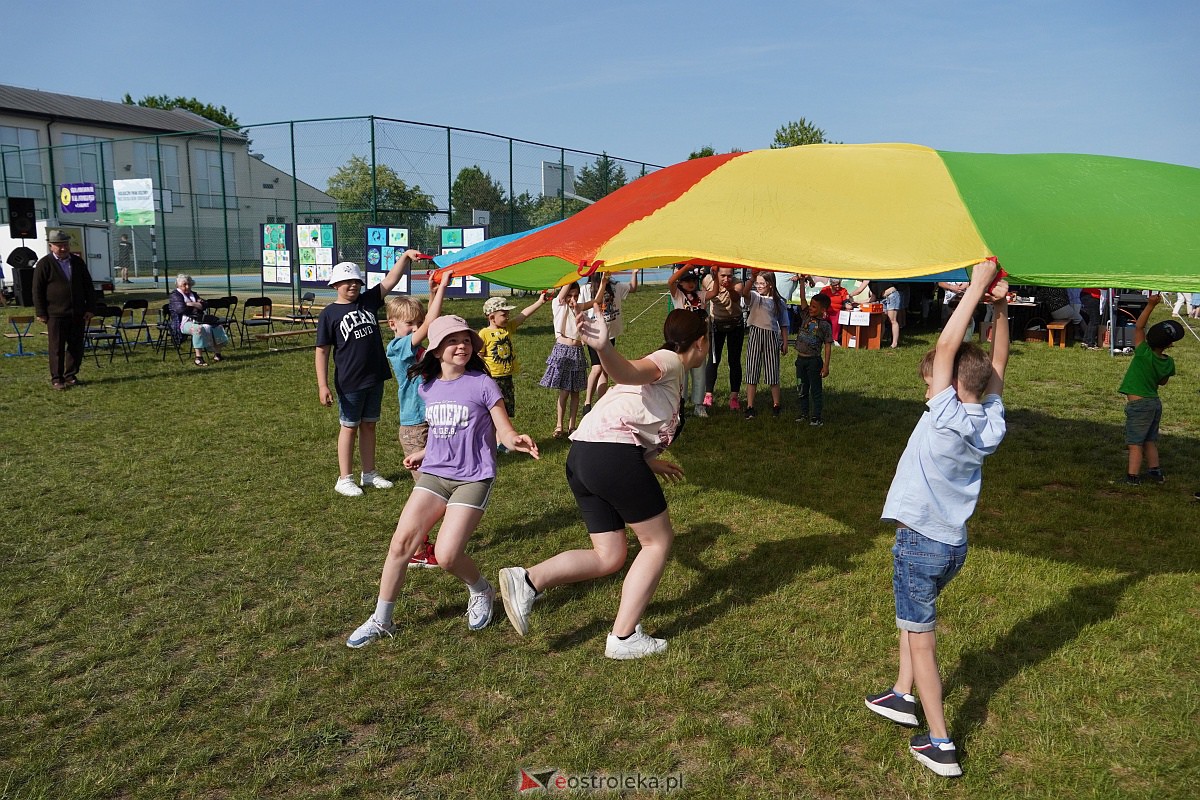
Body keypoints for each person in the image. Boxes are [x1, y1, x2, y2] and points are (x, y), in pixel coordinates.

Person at [865, 260, 1010, 779]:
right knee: (914, 616)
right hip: (952, 545)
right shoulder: (987, 421)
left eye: (930, 381)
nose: (927, 387)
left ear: (945, 385)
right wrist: (998, 309)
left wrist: (975, 287)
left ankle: (941, 742)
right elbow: (998, 367)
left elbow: (948, 349)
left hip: (920, 543)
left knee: (922, 636)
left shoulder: (944, 414)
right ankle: (901, 695)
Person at [498, 308, 708, 660]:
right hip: (610, 458)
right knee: (657, 541)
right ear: (701, 342)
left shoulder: (670, 374)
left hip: (583, 457)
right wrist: (603, 349)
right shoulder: (669, 360)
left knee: (609, 556)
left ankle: (528, 580)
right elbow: (628, 369)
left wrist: (649, 462)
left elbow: (624, 416)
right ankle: (623, 638)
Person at [347, 315, 540, 647]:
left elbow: (502, 428)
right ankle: (382, 620)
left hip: (473, 477)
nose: (461, 345)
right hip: (436, 472)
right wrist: (424, 452)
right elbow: (443, 428)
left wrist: (513, 439)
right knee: (401, 545)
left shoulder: (483, 383)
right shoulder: (427, 387)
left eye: (465, 340)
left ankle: (480, 589)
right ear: (436, 350)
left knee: (448, 555)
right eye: (452, 341)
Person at [316, 252, 419, 497]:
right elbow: (322, 351)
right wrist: (323, 385)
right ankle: (344, 478)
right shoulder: (329, 314)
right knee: (349, 427)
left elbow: (390, 280)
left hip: (374, 376)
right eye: (346, 281)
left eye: (356, 281)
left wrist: (405, 257)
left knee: (370, 425)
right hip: (350, 380)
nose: (352, 285)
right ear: (335, 285)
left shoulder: (368, 301)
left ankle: (369, 473)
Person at [385, 272, 450, 568]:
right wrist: (442, 289)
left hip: (430, 424)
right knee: (427, 493)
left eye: (415, 322)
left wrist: (436, 291)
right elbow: (427, 328)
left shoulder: (419, 349)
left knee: (437, 488)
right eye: (408, 324)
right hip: (414, 429)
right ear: (392, 325)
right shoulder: (398, 349)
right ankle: (416, 548)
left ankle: (422, 542)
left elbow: (432, 328)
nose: (414, 328)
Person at [1115, 294, 1183, 485]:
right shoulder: (1168, 362)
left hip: (1139, 406)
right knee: (1149, 440)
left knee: (1135, 443)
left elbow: (1138, 326)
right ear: (1169, 343)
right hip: (1154, 404)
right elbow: (1162, 382)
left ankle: (1132, 478)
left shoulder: (1143, 352)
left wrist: (1151, 304)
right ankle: (1155, 472)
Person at [32, 230, 96, 390]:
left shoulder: (77, 262)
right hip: (56, 314)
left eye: (65, 245)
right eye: (59, 246)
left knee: (76, 346)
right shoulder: (44, 264)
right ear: (51, 246)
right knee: (56, 348)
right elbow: (37, 290)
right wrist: (41, 312)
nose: (63, 248)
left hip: (77, 313)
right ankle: (57, 378)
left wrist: (90, 308)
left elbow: (88, 286)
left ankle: (70, 375)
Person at [478, 292, 549, 428]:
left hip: (507, 378)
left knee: (506, 410)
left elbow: (523, 315)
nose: (507, 317)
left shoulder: (508, 328)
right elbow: (479, 355)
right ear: (492, 317)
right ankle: (493, 438)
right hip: (493, 378)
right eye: (504, 315)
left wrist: (540, 302)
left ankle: (502, 439)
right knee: (494, 410)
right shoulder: (484, 334)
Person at [579, 270, 637, 412]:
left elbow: (633, 288)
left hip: (610, 335)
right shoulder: (586, 289)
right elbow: (581, 310)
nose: (605, 275)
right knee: (597, 367)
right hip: (594, 334)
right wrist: (581, 335)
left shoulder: (615, 286)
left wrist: (635, 272)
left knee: (604, 369)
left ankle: (601, 404)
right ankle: (587, 403)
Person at [539, 282, 590, 438]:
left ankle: (572, 426)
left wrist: (602, 283)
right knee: (565, 390)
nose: (572, 298)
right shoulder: (559, 304)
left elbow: (596, 301)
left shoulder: (579, 309)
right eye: (570, 295)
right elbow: (562, 295)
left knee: (576, 391)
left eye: (576, 295)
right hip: (563, 350)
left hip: (578, 351)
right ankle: (559, 426)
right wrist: (572, 274)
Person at [740, 270, 789, 417]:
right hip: (755, 333)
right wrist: (752, 278)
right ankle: (750, 406)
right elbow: (744, 292)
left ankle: (776, 404)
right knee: (752, 369)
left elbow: (784, 323)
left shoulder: (779, 302)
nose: (759, 286)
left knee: (772, 370)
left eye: (762, 283)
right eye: (757, 283)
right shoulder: (755, 297)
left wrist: (785, 342)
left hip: (771, 335)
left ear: (770, 285)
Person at [667, 265, 710, 417]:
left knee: (699, 373)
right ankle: (680, 405)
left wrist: (716, 275)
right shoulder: (677, 294)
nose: (691, 283)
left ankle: (699, 405)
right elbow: (670, 282)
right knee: (681, 374)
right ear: (680, 282)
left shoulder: (700, 295)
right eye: (686, 280)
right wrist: (686, 267)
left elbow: (715, 292)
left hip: (698, 341)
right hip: (682, 340)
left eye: (693, 280)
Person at [702, 267, 745, 411]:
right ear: (716, 274)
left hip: (735, 323)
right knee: (713, 359)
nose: (726, 279)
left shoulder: (737, 283)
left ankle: (734, 396)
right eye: (723, 276)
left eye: (729, 276)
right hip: (716, 323)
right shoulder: (707, 281)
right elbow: (703, 297)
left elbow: (736, 298)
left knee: (734, 360)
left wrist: (730, 288)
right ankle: (708, 394)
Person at [169, 274, 229, 367]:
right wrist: (197, 305)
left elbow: (205, 304)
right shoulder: (175, 295)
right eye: (184, 285)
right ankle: (198, 358)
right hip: (183, 323)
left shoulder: (194, 294)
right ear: (178, 285)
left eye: (189, 284)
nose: (187, 287)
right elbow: (181, 309)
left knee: (217, 326)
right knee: (198, 329)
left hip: (199, 319)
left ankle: (217, 354)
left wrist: (191, 303)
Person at [793, 292, 834, 426]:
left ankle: (816, 416)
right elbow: (803, 299)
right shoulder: (806, 316)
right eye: (810, 306)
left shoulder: (825, 326)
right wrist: (802, 281)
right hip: (800, 361)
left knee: (815, 390)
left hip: (814, 362)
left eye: (814, 307)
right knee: (802, 387)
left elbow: (828, 346)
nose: (810, 308)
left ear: (823, 310)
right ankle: (804, 413)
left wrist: (826, 366)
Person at [869, 280, 903, 348]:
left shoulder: (868, 278)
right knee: (881, 320)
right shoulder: (871, 285)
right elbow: (873, 298)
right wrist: (857, 302)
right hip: (883, 299)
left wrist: (850, 295)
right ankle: (879, 341)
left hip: (891, 295)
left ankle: (894, 343)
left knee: (892, 320)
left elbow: (859, 290)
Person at [820, 278, 852, 343]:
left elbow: (846, 301)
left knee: (837, 318)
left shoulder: (843, 290)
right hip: (825, 311)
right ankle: (820, 337)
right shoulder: (825, 290)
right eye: (835, 285)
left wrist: (848, 305)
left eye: (839, 284)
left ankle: (835, 339)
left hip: (836, 312)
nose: (838, 286)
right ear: (831, 284)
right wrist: (824, 311)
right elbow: (820, 301)